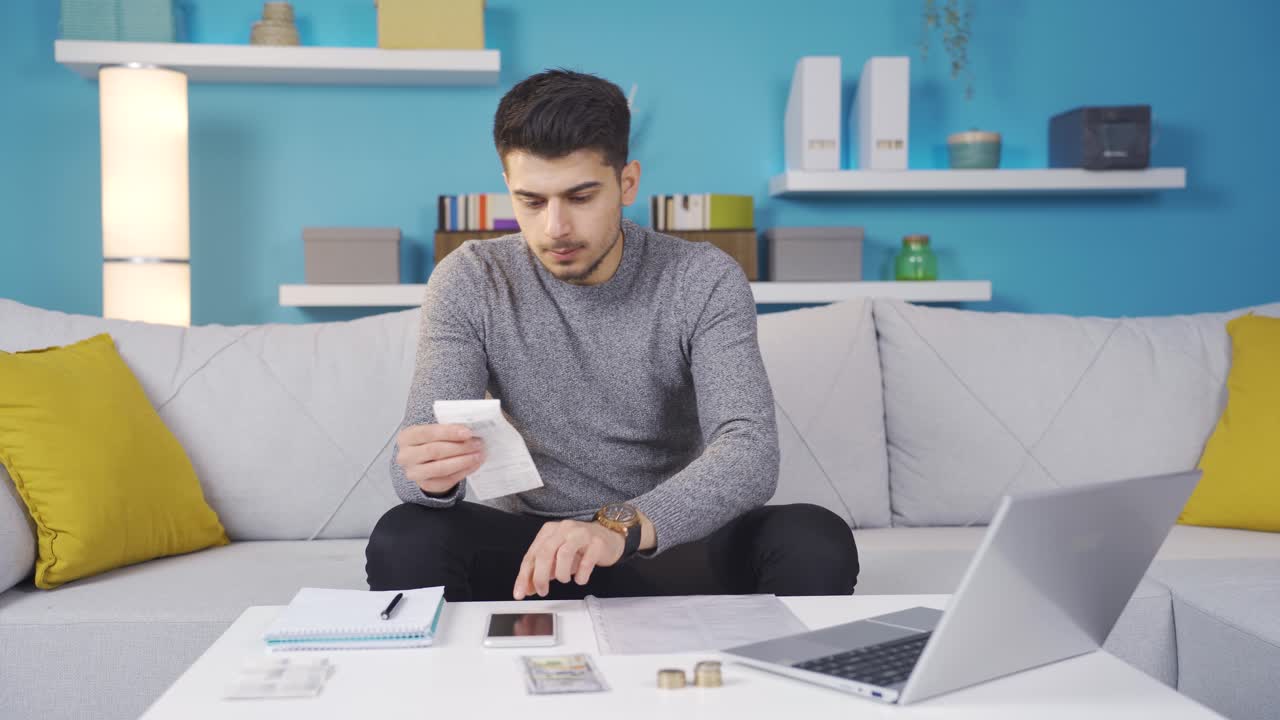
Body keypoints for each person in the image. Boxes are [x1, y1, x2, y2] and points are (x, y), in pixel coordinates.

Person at [365, 69, 859, 602]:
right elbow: (413, 474)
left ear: (627, 183)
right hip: (535, 554)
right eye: (532, 201)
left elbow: (750, 452)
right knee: (403, 537)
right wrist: (430, 475)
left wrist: (615, 529)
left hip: (659, 540)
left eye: (580, 197)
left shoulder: (702, 278)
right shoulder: (471, 279)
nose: (555, 228)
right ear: (508, 187)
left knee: (815, 539)